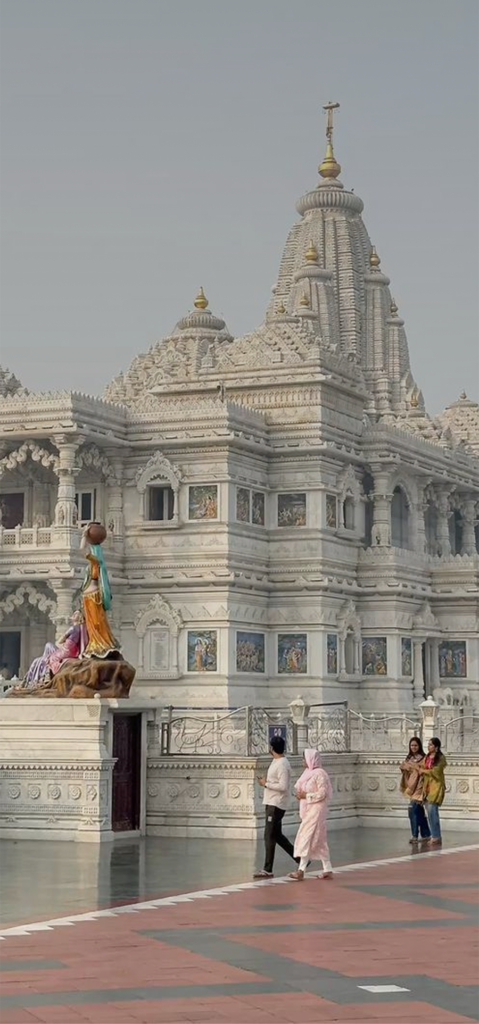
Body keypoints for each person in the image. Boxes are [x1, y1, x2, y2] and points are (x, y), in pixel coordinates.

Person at [254, 735, 300, 879]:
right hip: (272, 802)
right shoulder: (277, 761)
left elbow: (283, 786)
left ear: (272, 748)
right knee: (277, 836)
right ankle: (301, 860)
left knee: (269, 835)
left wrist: (265, 784)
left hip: (276, 803)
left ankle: (268, 868)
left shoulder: (282, 764)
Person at [289, 749, 333, 881]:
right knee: (318, 839)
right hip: (310, 808)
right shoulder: (307, 773)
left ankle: (301, 869)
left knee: (306, 836)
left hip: (317, 809)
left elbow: (322, 794)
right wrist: (301, 795)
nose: (303, 761)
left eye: (304, 758)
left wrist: (306, 796)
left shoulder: (320, 774)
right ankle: (327, 867)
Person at [81, 527, 120, 658]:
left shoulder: (96, 562)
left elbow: (83, 551)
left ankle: (100, 644)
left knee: (97, 623)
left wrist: (85, 536)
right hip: (87, 596)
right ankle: (94, 643)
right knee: (91, 625)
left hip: (94, 596)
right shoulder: (92, 565)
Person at [21, 611, 85, 688]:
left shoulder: (72, 628)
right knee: (48, 646)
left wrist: (63, 643)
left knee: (47, 652)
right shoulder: (82, 628)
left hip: (66, 651)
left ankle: (43, 674)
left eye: (75, 614)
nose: (73, 615)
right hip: (73, 652)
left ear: (78, 617)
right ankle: (45, 671)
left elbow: (60, 640)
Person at [400, 737, 431, 844]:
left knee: (412, 810)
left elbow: (425, 773)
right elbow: (405, 771)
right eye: (412, 745)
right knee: (418, 811)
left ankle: (414, 836)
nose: (413, 747)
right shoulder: (409, 758)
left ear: (419, 746)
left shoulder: (423, 758)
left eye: (416, 745)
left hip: (419, 788)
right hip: (411, 787)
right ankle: (426, 834)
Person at [418, 736, 447, 846]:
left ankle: (436, 836)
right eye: (428, 744)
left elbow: (436, 772)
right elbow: (420, 766)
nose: (428, 746)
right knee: (429, 812)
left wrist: (424, 771)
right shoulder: (427, 757)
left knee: (432, 811)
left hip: (436, 787)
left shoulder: (441, 758)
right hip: (427, 787)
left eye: (431, 745)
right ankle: (434, 835)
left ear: (436, 747)